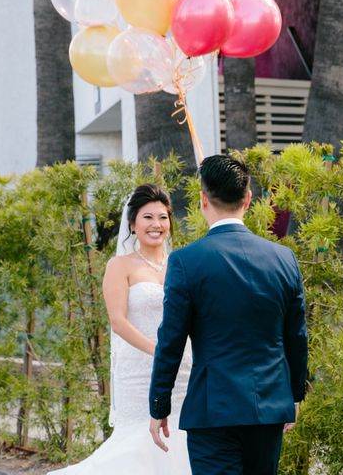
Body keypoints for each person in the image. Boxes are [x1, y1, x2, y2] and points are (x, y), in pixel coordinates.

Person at [149, 155, 308, 474]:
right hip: (268, 405)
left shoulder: (185, 261)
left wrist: (159, 405)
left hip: (213, 408)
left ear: (202, 200)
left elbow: (171, 341)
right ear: (248, 199)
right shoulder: (283, 258)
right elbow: (296, 335)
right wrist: (293, 394)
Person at [49, 184, 192, 474]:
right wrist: (161, 352)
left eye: (163, 217)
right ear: (132, 223)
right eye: (148, 217)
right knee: (138, 441)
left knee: (182, 437)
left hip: (185, 368)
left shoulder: (181, 265)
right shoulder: (120, 265)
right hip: (140, 370)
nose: (157, 225)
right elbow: (118, 321)